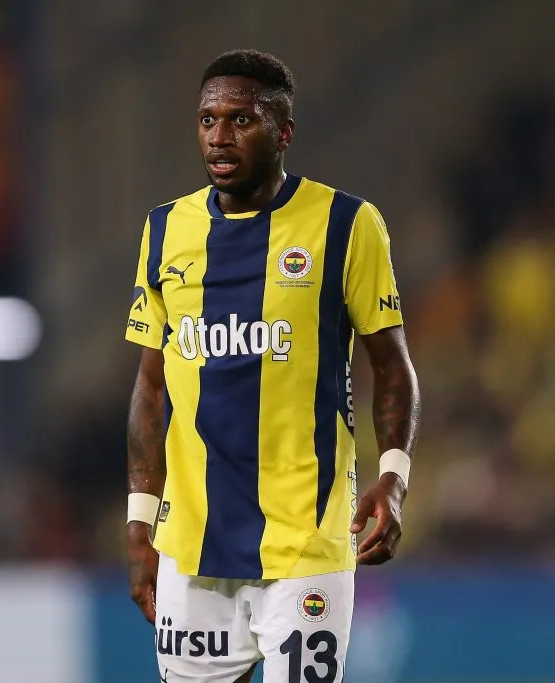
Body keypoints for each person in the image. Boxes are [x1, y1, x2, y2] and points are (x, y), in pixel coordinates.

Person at [124, 49, 421, 683]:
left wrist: (393, 479)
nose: (219, 137)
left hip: (308, 542)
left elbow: (392, 367)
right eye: (208, 120)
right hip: (193, 550)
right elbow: (151, 387)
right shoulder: (164, 231)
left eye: (240, 120)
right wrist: (139, 523)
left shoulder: (347, 225)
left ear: (284, 132)